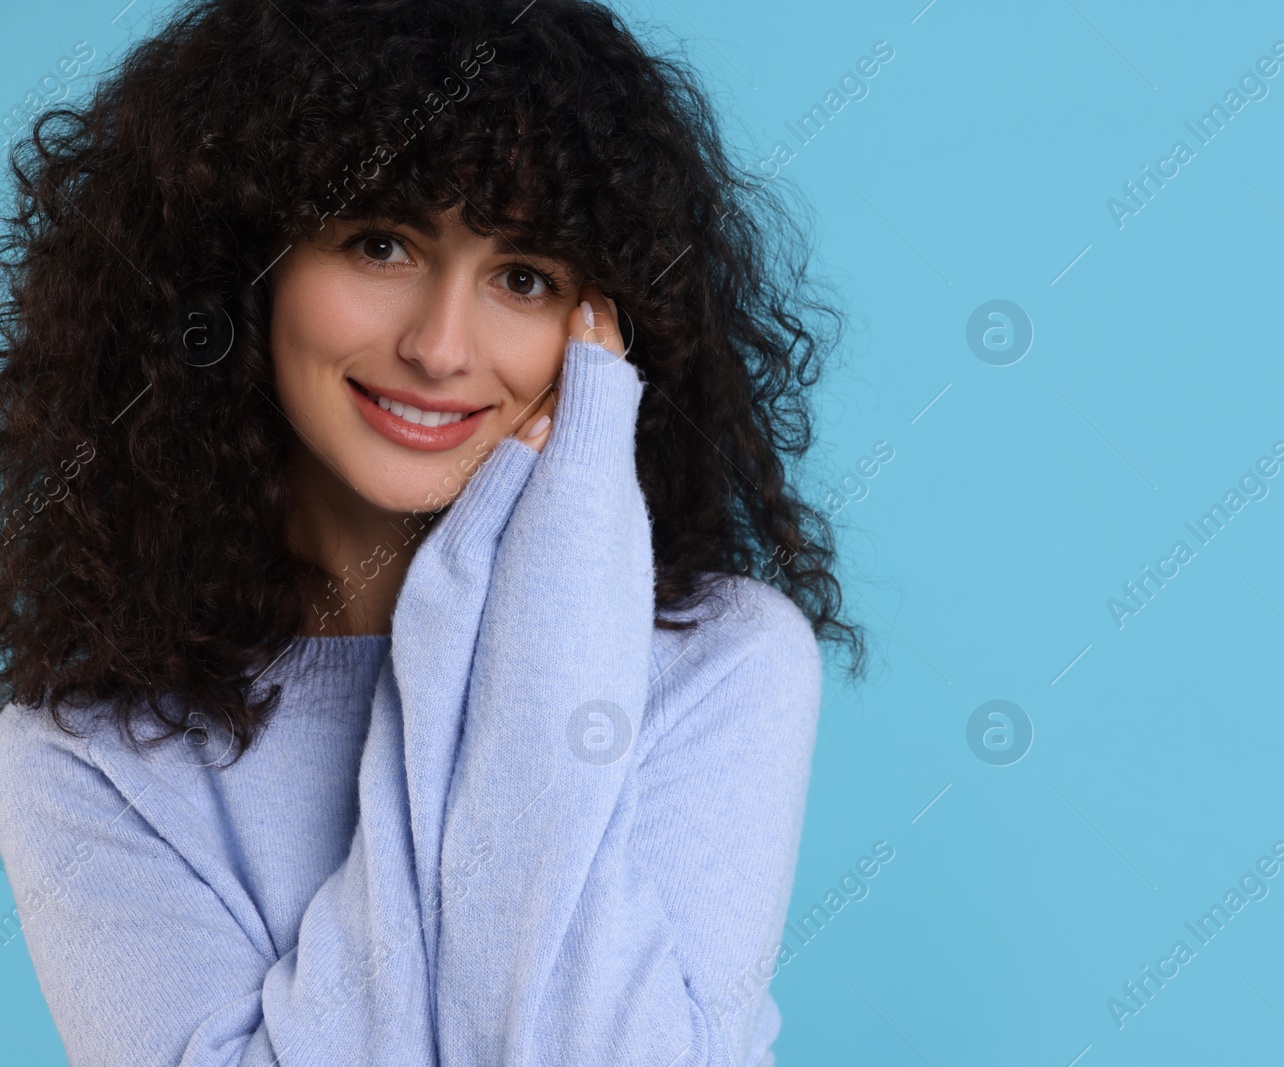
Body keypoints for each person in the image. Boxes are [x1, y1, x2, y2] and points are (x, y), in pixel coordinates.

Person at [0, 0, 865, 1063]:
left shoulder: (720, 662)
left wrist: (544, 557)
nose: (442, 346)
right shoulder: (85, 753)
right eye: (380, 242)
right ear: (240, 266)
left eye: (524, 277)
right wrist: (464, 609)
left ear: (598, 329)